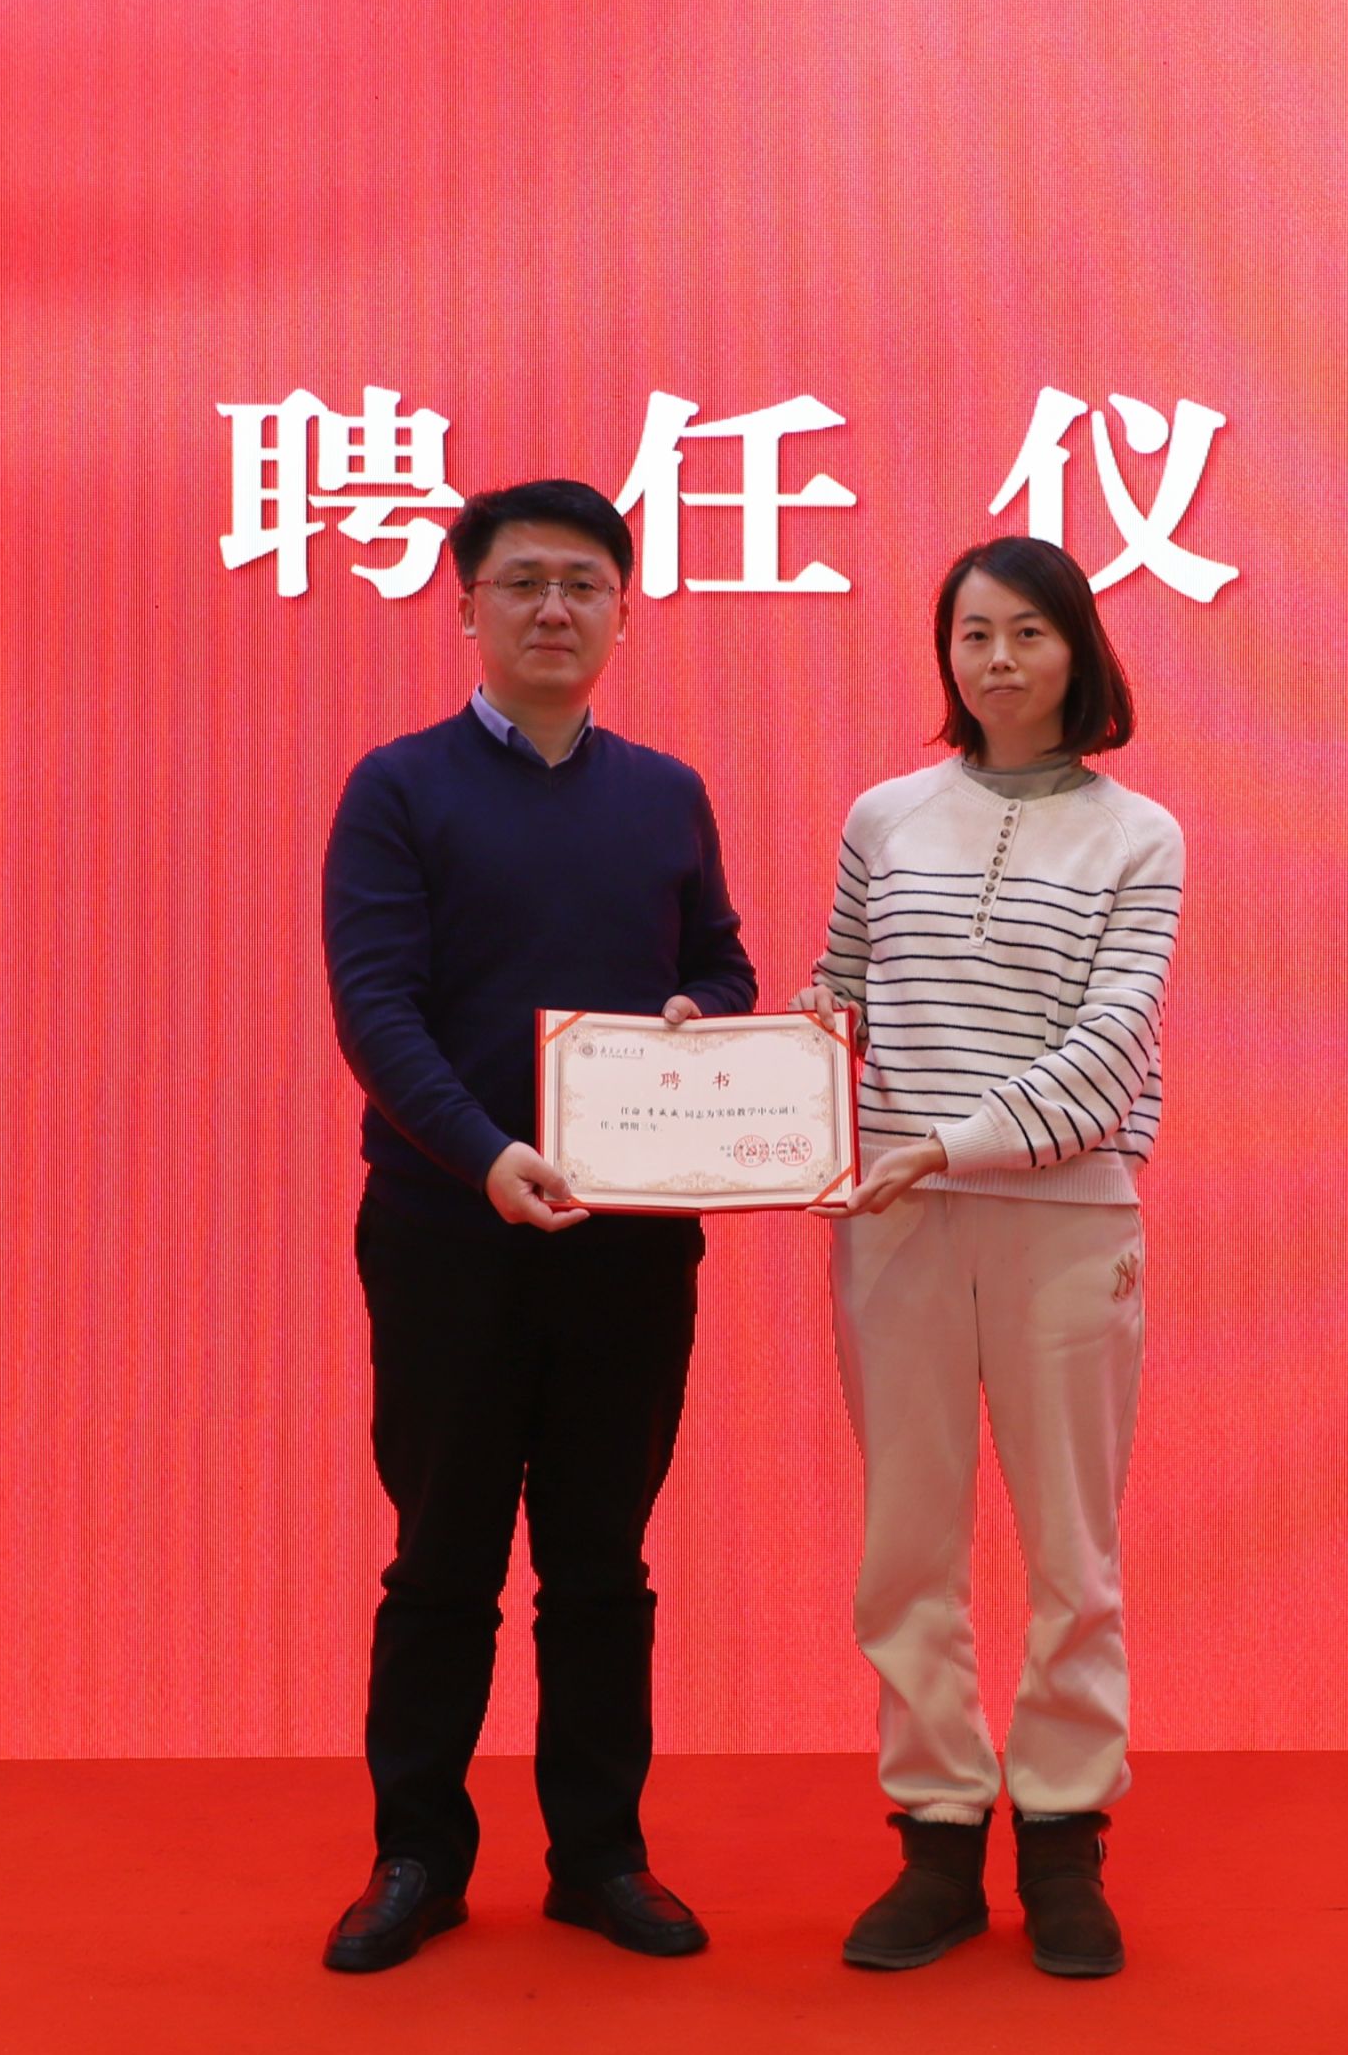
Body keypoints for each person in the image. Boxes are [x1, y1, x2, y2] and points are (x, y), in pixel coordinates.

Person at [316, 478, 755, 1973]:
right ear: (468, 609)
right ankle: (417, 1856)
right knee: (441, 1555)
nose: (554, 608)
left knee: (602, 1563)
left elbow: (724, 965)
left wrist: (702, 1014)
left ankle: (602, 1857)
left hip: (630, 1237)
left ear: (626, 611)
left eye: (584, 583)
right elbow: (376, 1009)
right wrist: (487, 1153)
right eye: (523, 583)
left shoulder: (667, 793)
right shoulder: (398, 787)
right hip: (448, 1230)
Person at [792, 534, 1184, 1979]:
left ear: (1078, 649)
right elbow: (838, 997)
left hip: (1066, 1220)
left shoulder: (1140, 835)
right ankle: (939, 1835)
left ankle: (1067, 1835)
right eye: (972, 634)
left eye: (1028, 631)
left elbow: (1114, 1042)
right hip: (893, 1223)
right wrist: (741, 1074)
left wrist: (946, 1142)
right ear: (945, 654)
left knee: (1073, 1547)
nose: (999, 659)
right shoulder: (885, 816)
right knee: (907, 1542)